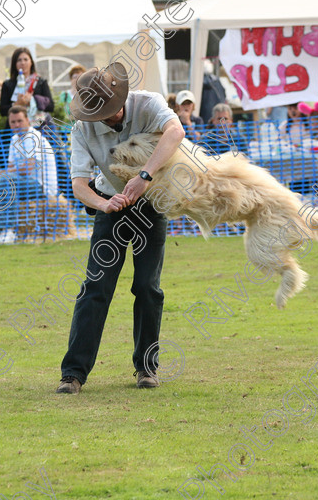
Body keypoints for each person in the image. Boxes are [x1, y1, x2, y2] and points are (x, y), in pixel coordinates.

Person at [57, 62, 185, 394]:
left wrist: (145, 176)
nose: (110, 118)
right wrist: (104, 204)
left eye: (113, 110)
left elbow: (176, 132)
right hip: (110, 204)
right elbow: (79, 183)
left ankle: (147, 368)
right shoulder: (81, 129)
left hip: (151, 203)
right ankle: (73, 374)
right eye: (102, 114)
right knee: (95, 288)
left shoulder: (148, 103)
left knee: (147, 287)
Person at [0, 106, 59, 245]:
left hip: (42, 186)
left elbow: (27, 169)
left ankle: (9, 230)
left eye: (19, 121)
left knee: (5, 181)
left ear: (27, 120)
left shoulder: (33, 137)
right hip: (23, 184)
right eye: (13, 122)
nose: (16, 125)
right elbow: (11, 168)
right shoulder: (15, 139)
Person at [0, 47, 54, 121]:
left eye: (26, 59)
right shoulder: (8, 84)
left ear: (31, 62)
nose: (23, 63)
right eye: (19, 60)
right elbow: (2, 111)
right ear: (14, 63)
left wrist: (33, 100)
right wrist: (16, 104)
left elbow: (51, 106)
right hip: (16, 126)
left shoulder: (40, 82)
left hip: (37, 125)